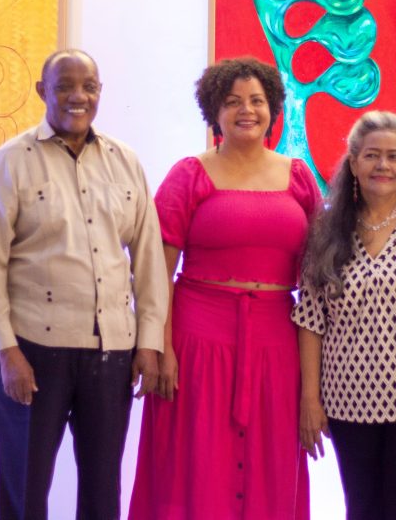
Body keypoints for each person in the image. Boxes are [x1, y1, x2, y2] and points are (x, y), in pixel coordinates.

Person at [0, 49, 168, 520]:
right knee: (24, 490)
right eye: (64, 86)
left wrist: (149, 342)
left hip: (111, 355)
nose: (78, 96)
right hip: (33, 353)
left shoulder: (125, 162)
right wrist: (6, 351)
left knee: (103, 494)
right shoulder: (10, 162)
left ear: (100, 92)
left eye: (89, 87)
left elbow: (148, 258)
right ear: (43, 91)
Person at [129, 57, 320, 520]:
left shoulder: (298, 177)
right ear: (214, 112)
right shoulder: (189, 174)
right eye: (233, 102)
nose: (246, 110)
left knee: (271, 465)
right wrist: (160, 348)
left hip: (277, 347)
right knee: (195, 465)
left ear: (273, 109)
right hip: (196, 343)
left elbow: (318, 280)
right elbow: (157, 271)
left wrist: (315, 385)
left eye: (257, 101)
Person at [294, 111, 396, 520]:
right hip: (347, 403)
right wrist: (310, 399)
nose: (383, 165)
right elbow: (310, 319)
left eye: (394, 156)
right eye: (372, 155)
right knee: (361, 510)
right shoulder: (327, 228)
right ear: (353, 162)